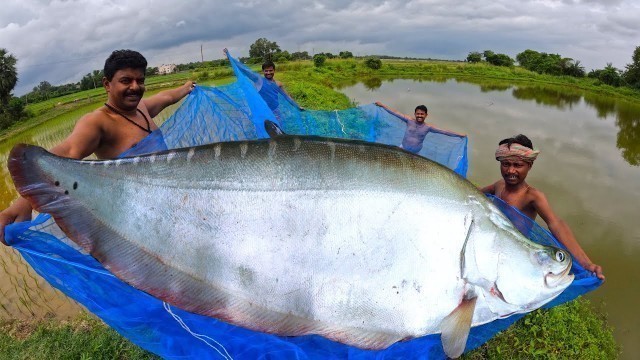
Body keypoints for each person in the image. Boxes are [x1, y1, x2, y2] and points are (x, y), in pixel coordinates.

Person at [0, 49, 195, 245]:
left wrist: (187, 87)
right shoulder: (98, 122)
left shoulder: (142, 109)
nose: (135, 87)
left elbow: (167, 97)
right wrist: (24, 202)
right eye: (126, 80)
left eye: (140, 80)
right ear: (107, 84)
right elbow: (65, 153)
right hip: (138, 223)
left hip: (170, 207)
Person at [480, 134, 605, 280]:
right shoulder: (499, 185)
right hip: (490, 244)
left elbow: (556, 224)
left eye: (518, 165)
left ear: (529, 166)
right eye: (506, 164)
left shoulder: (532, 196)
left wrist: (586, 263)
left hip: (513, 254)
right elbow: (477, 194)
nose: (510, 171)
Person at [375, 101, 464, 153]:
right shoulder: (409, 120)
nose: (420, 116)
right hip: (403, 148)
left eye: (422, 114)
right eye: (418, 114)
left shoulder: (428, 127)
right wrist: (383, 105)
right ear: (415, 114)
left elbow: (444, 131)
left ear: (426, 115)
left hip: (415, 152)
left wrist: (459, 135)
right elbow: (395, 112)